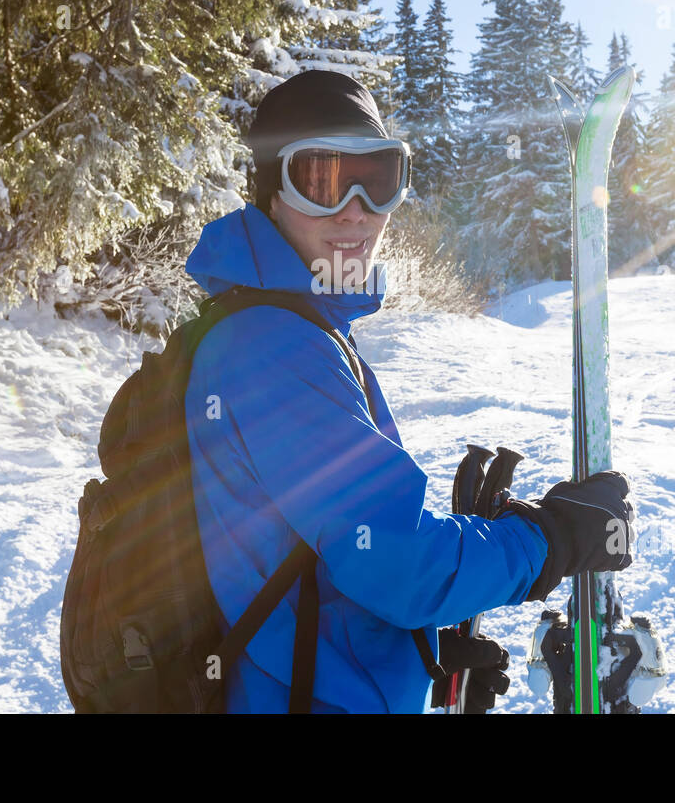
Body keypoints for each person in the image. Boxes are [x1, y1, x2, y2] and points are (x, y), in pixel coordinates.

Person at [183, 69, 633, 713]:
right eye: (323, 180)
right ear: (270, 193)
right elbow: (394, 564)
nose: (356, 210)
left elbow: (314, 557)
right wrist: (551, 539)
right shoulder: (270, 345)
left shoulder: (289, 327)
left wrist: (411, 651)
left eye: (380, 179)